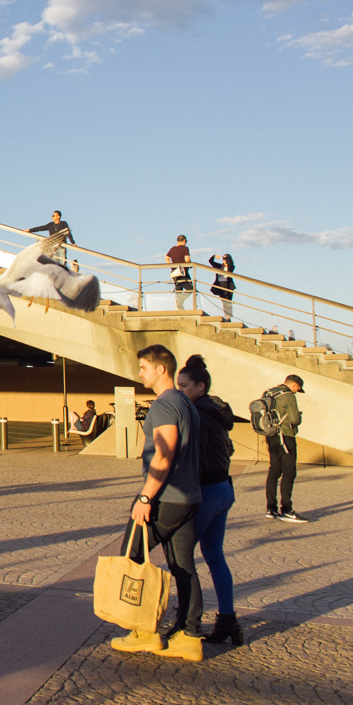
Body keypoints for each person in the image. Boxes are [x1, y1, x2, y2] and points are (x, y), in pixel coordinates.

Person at [111, 344, 203, 661]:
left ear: (160, 369)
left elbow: (164, 454)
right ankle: (190, 637)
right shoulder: (186, 403)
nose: (140, 374)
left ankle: (144, 631)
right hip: (190, 496)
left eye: (143, 368)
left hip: (166, 496)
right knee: (183, 566)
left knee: (132, 554)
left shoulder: (164, 404)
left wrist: (146, 496)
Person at [177, 355, 240, 647]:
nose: (180, 391)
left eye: (185, 386)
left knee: (182, 558)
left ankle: (187, 622)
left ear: (200, 386)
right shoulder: (216, 410)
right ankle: (228, 620)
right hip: (224, 488)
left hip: (206, 492)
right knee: (214, 555)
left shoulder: (197, 415)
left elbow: (192, 458)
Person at [264, 374, 307, 523]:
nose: (296, 392)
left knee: (274, 470)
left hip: (271, 436)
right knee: (289, 472)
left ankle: (271, 508)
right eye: (297, 389)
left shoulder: (269, 392)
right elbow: (294, 419)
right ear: (294, 385)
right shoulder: (288, 396)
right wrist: (299, 417)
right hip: (286, 437)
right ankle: (287, 510)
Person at [166, 235, 192, 309]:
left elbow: (166, 258)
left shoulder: (172, 249)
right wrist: (190, 264)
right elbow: (187, 260)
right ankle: (179, 301)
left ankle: (179, 306)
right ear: (184, 241)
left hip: (175, 273)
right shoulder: (185, 248)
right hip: (183, 272)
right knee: (191, 289)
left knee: (178, 289)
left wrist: (171, 266)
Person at [208, 254, 236, 318]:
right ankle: (227, 315)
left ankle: (228, 316)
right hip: (220, 284)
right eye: (223, 258)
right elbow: (211, 261)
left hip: (228, 285)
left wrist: (225, 257)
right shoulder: (219, 266)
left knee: (228, 301)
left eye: (225, 258)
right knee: (224, 302)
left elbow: (229, 264)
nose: (223, 259)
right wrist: (214, 256)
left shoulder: (230, 267)